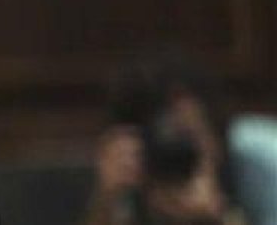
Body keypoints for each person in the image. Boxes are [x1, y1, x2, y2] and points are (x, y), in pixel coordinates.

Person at [84, 53, 253, 225]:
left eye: (186, 138)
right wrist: (105, 204)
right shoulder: (122, 205)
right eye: (163, 141)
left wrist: (214, 217)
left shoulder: (253, 186)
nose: (174, 152)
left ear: (216, 143)